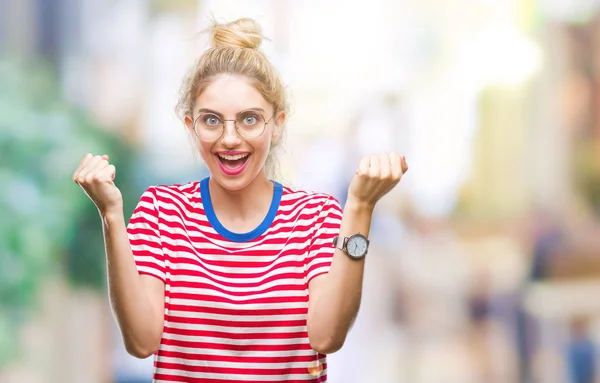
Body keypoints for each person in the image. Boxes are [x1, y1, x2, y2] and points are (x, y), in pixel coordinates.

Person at [72, 17, 408, 383]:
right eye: (212, 120)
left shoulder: (315, 216)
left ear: (277, 123)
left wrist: (359, 208)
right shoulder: (160, 212)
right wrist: (111, 215)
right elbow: (140, 341)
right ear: (190, 125)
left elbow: (327, 335)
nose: (230, 139)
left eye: (249, 120)